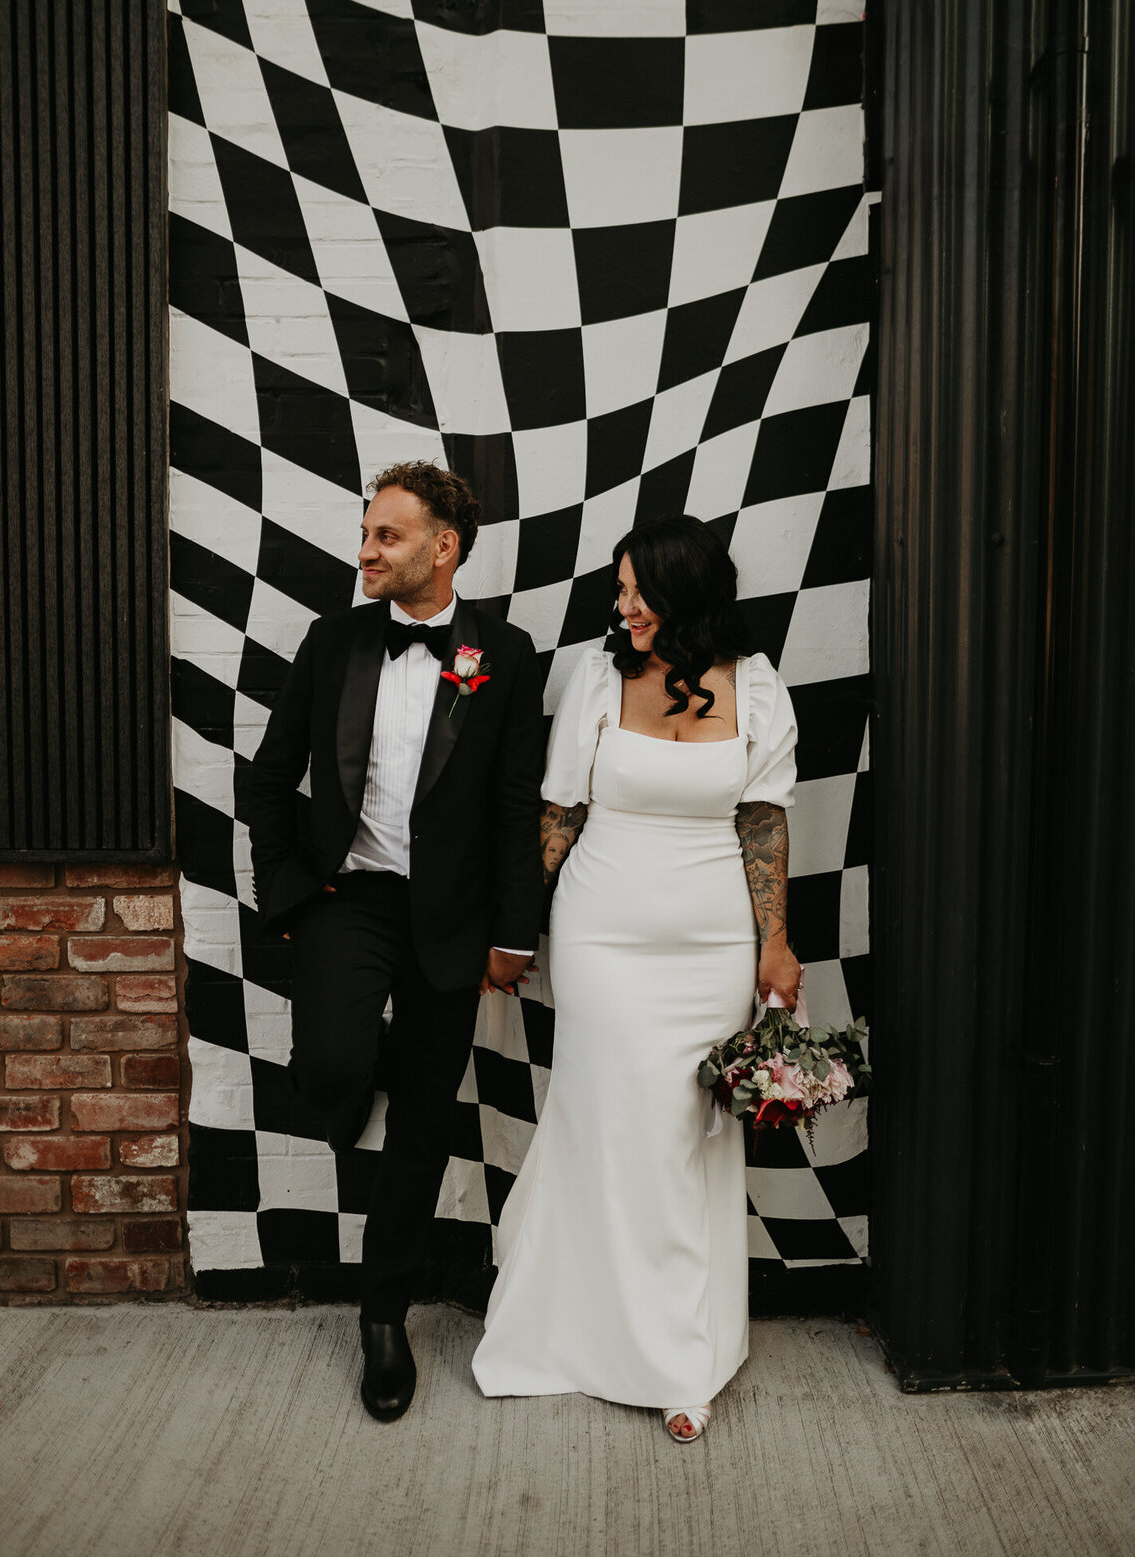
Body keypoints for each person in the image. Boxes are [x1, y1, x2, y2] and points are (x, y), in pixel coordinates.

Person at [472, 513, 801, 1444]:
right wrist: (515, 929)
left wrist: (774, 943)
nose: (623, 607)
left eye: (637, 590)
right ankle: (579, 1330)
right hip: (602, 939)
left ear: (686, 590)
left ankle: (682, 1354)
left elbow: (763, 822)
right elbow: (558, 812)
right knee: (604, 1122)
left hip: (710, 948)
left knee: (681, 1137)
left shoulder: (757, 685)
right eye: (618, 591)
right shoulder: (597, 676)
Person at [247, 461, 545, 1423]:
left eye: (388, 535)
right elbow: (270, 774)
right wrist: (287, 890)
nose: (366, 550)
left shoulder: (505, 651)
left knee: (423, 1117)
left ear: (443, 547)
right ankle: (353, 1063)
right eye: (368, 532)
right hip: (349, 896)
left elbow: (512, 804)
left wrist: (514, 935)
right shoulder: (334, 641)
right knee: (331, 1069)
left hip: (453, 918)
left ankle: (384, 1318)